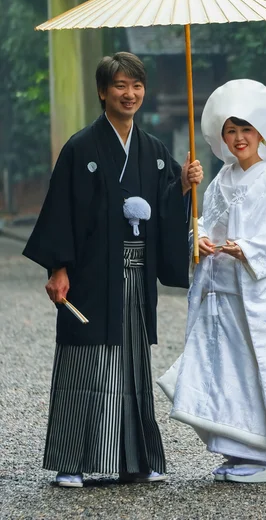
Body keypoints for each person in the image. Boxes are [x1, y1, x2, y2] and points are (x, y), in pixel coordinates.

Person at [23, 52, 203, 487]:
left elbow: (163, 210)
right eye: (120, 86)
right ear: (103, 92)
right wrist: (57, 267)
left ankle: (134, 460)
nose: (130, 94)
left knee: (132, 366)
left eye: (137, 86)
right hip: (89, 274)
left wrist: (181, 185)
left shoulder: (154, 151)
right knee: (86, 360)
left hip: (135, 276)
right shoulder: (81, 148)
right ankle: (71, 460)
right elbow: (62, 210)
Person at [158, 79, 266, 483]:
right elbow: (206, 221)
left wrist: (251, 249)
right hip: (220, 290)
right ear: (221, 136)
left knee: (253, 368)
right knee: (222, 369)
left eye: (246, 130)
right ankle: (235, 447)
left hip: (256, 292)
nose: (239, 138)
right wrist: (199, 239)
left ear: (260, 133)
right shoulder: (222, 179)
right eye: (230, 130)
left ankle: (260, 455)